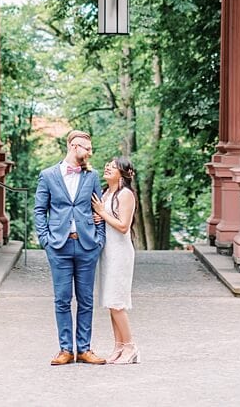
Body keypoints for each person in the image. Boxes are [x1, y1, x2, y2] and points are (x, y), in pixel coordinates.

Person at [34, 129, 107, 365]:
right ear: (74, 146)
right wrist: (45, 240)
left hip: (87, 245)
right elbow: (39, 211)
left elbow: (100, 210)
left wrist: (99, 239)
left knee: (86, 300)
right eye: (87, 148)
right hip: (59, 246)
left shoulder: (93, 176)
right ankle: (65, 349)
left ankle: (84, 349)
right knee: (62, 299)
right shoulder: (48, 175)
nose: (90, 153)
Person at [91, 156, 140, 364]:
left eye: (112, 166)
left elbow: (123, 226)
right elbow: (106, 220)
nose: (107, 168)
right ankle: (118, 346)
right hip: (107, 252)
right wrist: (99, 217)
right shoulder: (105, 192)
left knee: (117, 302)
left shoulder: (126, 194)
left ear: (123, 173)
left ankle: (130, 347)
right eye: (107, 165)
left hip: (120, 253)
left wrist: (102, 213)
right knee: (110, 302)